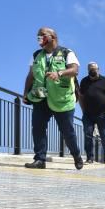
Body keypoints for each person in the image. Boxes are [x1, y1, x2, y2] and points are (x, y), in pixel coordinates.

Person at [22, 27, 84, 170]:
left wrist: (60, 73)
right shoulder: (36, 55)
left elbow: (75, 70)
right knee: (38, 128)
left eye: (42, 35)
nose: (39, 38)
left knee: (67, 131)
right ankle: (40, 159)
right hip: (41, 96)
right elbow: (31, 75)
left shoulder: (67, 53)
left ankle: (76, 155)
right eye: (38, 36)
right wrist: (25, 93)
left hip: (61, 99)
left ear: (53, 37)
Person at [79, 62, 105, 164]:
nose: (93, 71)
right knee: (88, 135)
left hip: (102, 114)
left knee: (104, 136)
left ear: (98, 69)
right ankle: (90, 157)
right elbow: (81, 96)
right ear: (88, 70)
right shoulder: (84, 81)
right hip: (88, 114)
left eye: (95, 69)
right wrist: (83, 110)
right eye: (91, 69)